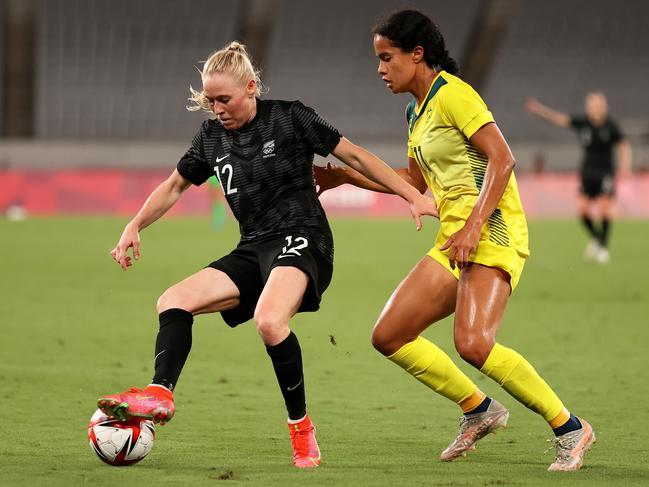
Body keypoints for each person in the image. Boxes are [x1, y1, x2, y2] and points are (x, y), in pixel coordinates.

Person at [97, 41, 437, 468]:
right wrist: (134, 225)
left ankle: (302, 430)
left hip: (304, 238)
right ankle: (160, 394)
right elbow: (174, 186)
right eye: (210, 100)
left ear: (251, 87)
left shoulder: (291, 117)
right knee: (172, 300)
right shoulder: (210, 136)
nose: (217, 108)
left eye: (225, 99)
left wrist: (410, 194)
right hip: (254, 246)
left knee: (270, 321)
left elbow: (354, 156)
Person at [315, 10, 594, 472]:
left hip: (491, 230)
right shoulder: (415, 110)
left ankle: (570, 427)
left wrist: (472, 226)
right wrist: (345, 176)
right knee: (390, 335)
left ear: (417, 54)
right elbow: (413, 181)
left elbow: (503, 160)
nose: (379, 69)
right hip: (455, 237)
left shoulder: (455, 95)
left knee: (474, 344)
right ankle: (479, 409)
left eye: (387, 58)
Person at [526, 93, 632, 263]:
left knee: (604, 209)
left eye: (597, 104)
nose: (594, 107)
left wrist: (625, 167)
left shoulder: (611, 126)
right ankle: (597, 239)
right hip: (587, 172)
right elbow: (559, 119)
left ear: (604, 107)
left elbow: (624, 145)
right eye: (591, 104)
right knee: (582, 211)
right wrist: (540, 111)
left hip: (606, 173)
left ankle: (603, 249)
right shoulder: (583, 123)